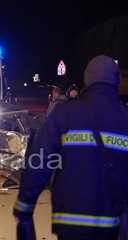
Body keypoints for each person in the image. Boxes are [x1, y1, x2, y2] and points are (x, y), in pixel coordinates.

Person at [13, 55, 128, 240]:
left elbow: (39, 160)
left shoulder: (65, 114)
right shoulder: (125, 118)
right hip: (113, 222)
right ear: (116, 82)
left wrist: (24, 205)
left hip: (70, 219)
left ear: (87, 80)